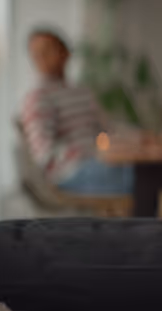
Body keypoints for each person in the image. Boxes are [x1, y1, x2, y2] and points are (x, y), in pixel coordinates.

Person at [20, 28, 133, 195]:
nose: (41, 56)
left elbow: (108, 130)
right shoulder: (38, 97)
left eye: (48, 49)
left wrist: (139, 140)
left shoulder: (82, 92)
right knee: (140, 177)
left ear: (66, 53)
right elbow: (44, 152)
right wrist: (91, 153)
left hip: (100, 161)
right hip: (70, 172)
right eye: (36, 53)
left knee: (145, 170)